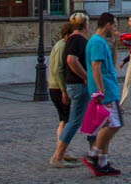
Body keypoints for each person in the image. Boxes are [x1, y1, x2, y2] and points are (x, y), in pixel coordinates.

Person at [50, 12, 90, 169]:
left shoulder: (72, 39)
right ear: (84, 25)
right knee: (73, 121)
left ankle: (95, 153)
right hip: (78, 85)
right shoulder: (76, 39)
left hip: (75, 85)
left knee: (74, 120)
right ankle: (58, 156)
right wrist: (85, 76)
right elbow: (70, 60)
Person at [85, 12, 124, 176]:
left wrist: (115, 43)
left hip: (107, 88)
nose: (116, 29)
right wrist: (100, 90)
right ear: (107, 25)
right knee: (115, 124)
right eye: (114, 26)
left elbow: (109, 63)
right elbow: (96, 66)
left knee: (108, 125)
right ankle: (93, 154)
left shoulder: (99, 42)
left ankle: (102, 161)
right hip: (106, 91)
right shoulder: (98, 42)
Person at [48, 22, 75, 164]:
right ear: (67, 35)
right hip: (57, 88)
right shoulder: (62, 47)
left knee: (64, 120)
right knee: (65, 121)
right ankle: (60, 152)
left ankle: (63, 150)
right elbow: (58, 69)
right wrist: (64, 90)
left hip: (57, 87)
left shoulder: (61, 45)